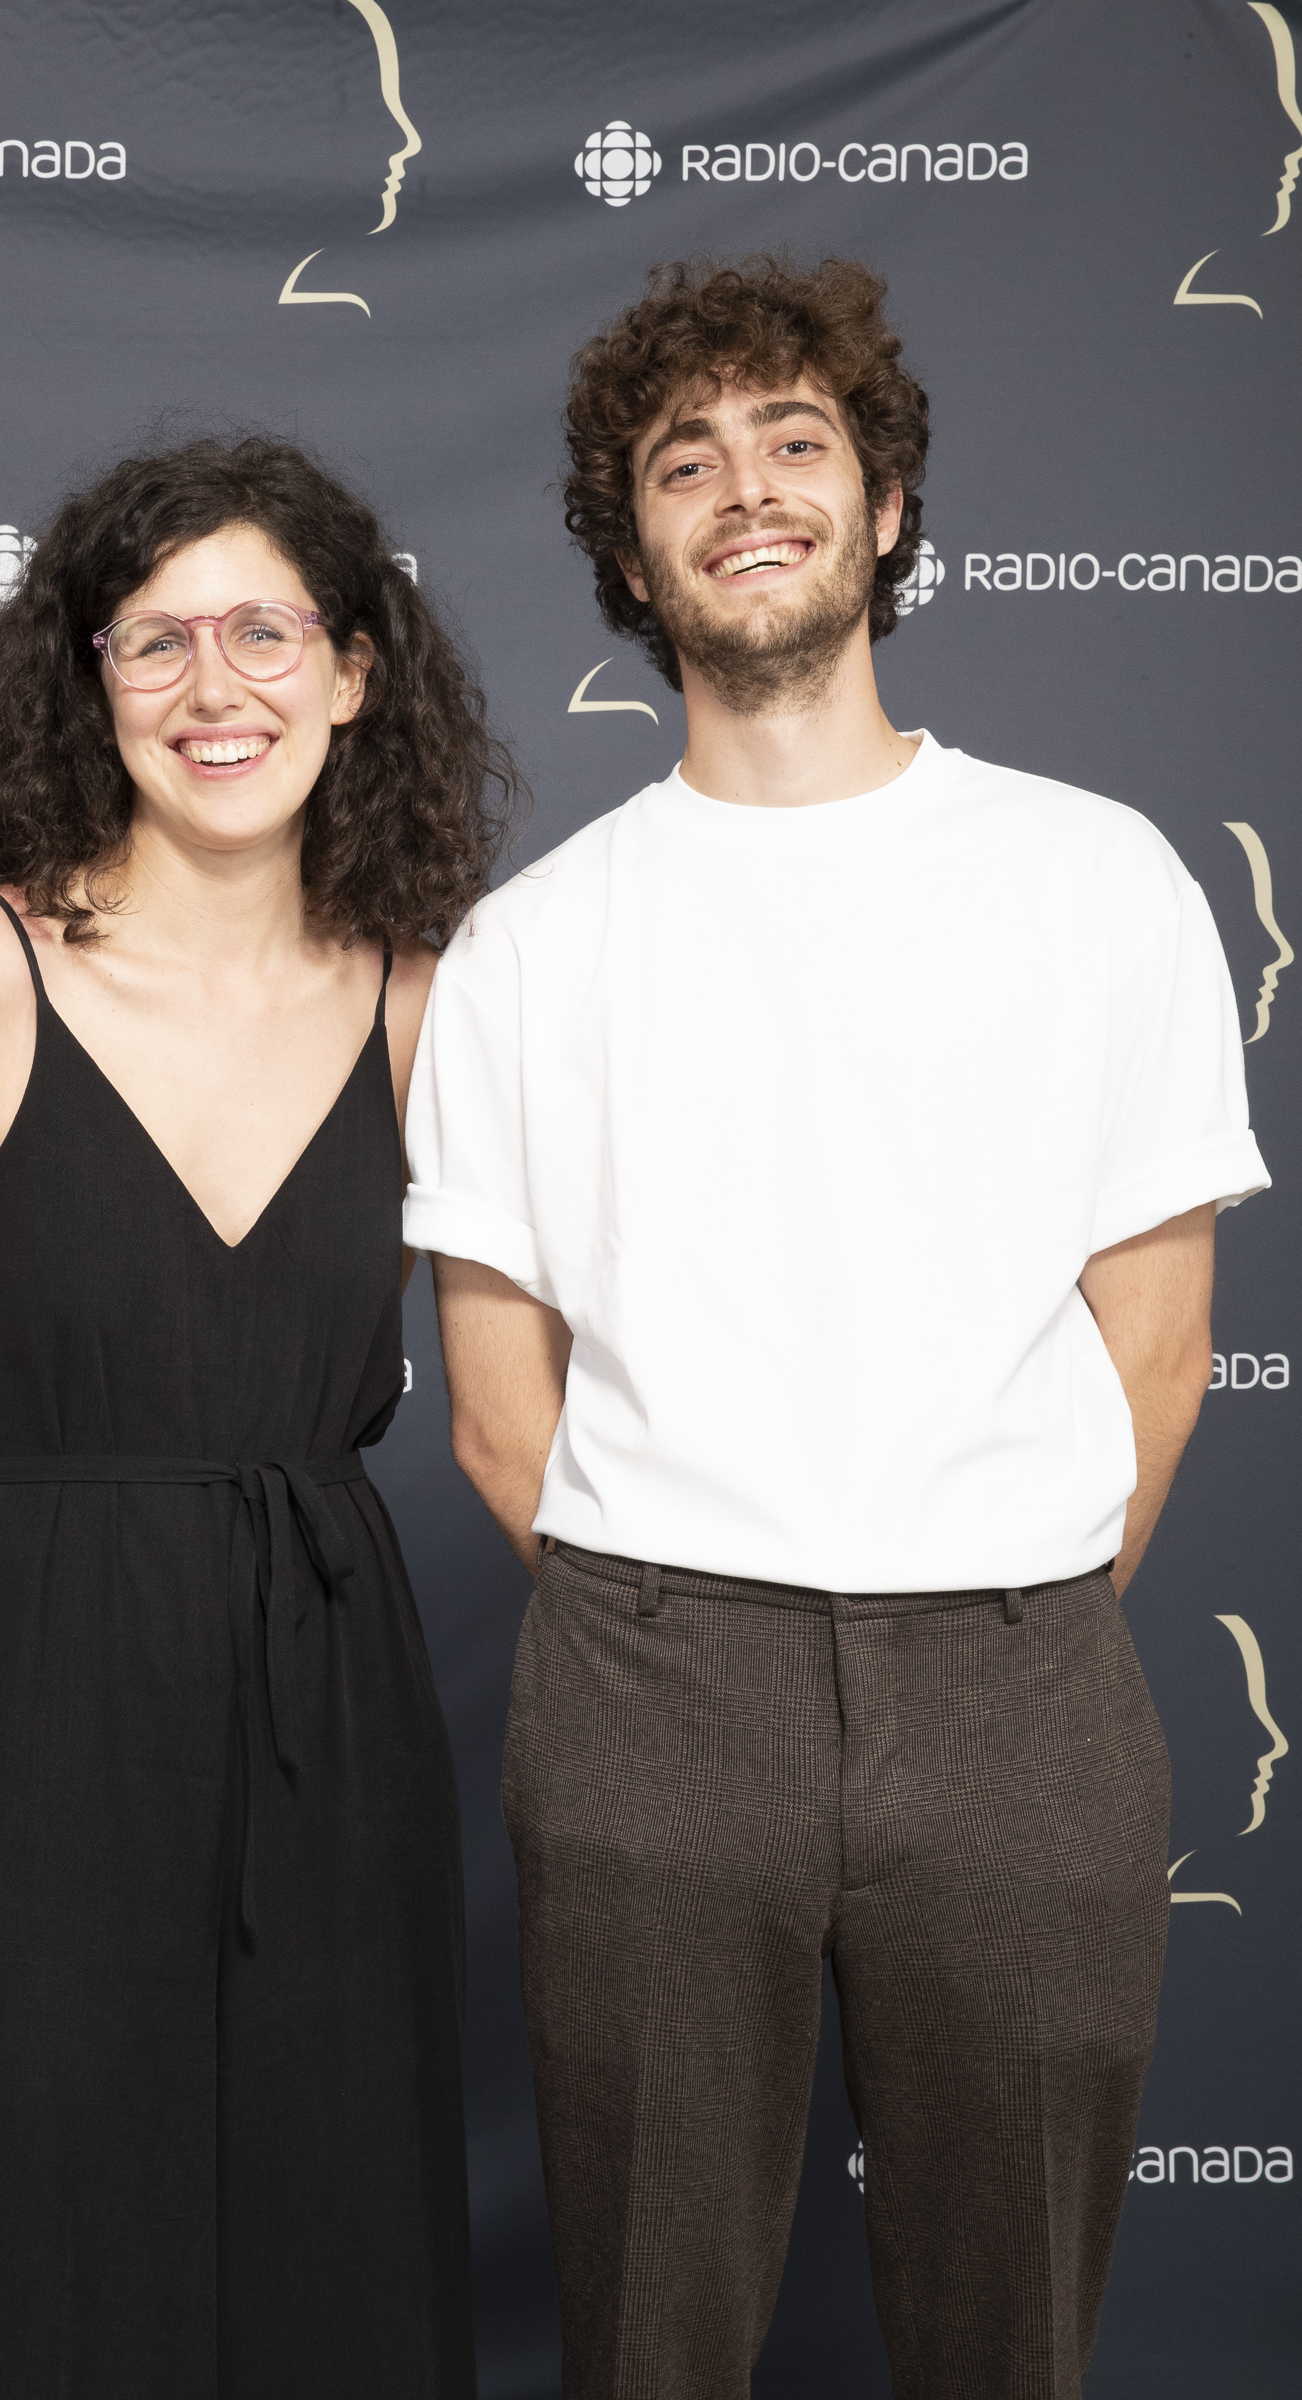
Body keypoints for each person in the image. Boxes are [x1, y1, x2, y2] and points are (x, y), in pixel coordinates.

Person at [404, 257, 1269, 2400]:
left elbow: (1157, 1352)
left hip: (1016, 1680)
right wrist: (686, 1637)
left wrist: (987, 1614)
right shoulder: (530, 945)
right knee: (649, 2337)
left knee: (1008, 2337)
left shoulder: (1098, 880)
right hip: (649, 1676)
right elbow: (497, 1410)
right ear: (629, 556)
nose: (747, 489)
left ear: (883, 508)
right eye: (683, 462)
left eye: (796, 441)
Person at [0, 434, 517, 2400]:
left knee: (323, 2241)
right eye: (156, 639)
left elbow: (530, 1385)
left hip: (329, 1712)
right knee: (26, 2252)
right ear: (88, 679)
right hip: (20, 1708)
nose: (216, 687)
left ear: (352, 673)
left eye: (265, 631)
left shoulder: (425, 1009)